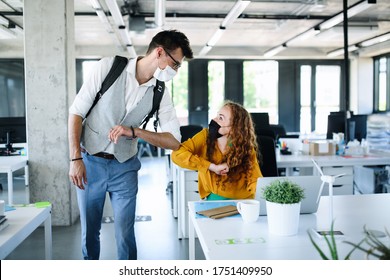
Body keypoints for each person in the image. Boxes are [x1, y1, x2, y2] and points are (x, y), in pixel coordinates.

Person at [68, 30, 193, 260]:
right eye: (175, 64)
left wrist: (136, 131)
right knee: (89, 234)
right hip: (89, 163)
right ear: (159, 52)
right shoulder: (109, 67)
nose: (175, 71)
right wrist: (75, 159)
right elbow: (76, 113)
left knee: (125, 234)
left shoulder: (160, 93)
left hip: (124, 167)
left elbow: (174, 142)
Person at [171, 101, 262, 200]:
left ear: (234, 128)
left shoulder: (244, 145)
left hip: (243, 201)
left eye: (221, 118)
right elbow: (177, 154)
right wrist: (211, 166)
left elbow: (254, 179)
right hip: (214, 199)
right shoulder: (205, 136)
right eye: (217, 115)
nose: (214, 120)